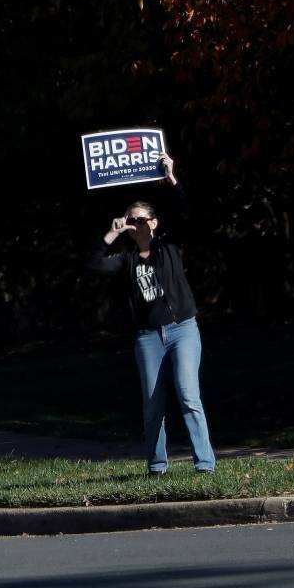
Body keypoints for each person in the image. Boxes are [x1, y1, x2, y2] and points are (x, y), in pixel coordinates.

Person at [85, 153, 215, 473]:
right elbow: (93, 264)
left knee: (188, 394)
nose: (137, 224)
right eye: (132, 219)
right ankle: (157, 466)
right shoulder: (127, 259)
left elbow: (188, 215)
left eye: (142, 218)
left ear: (154, 223)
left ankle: (205, 464)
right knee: (152, 405)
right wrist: (112, 233)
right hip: (148, 337)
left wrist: (172, 180)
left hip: (182, 328)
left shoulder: (169, 246)